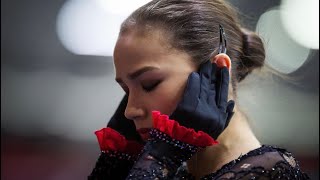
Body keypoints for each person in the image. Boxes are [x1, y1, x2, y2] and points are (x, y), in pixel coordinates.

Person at [88, 0, 310, 179]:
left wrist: (162, 155)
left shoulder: (268, 173)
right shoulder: (171, 170)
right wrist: (116, 165)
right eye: (126, 90)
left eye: (149, 84)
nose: (129, 111)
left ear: (215, 73)